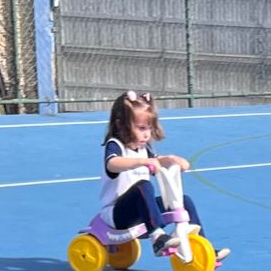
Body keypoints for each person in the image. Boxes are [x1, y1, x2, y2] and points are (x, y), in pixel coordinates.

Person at [90, 89, 226, 259]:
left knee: (184, 201)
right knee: (143, 186)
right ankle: (157, 237)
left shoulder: (143, 148)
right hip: (117, 214)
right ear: (121, 125)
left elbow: (158, 161)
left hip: (141, 209)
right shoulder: (115, 145)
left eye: (149, 128)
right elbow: (112, 163)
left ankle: (201, 247)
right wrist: (143, 162)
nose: (147, 133)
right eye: (141, 128)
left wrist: (172, 160)